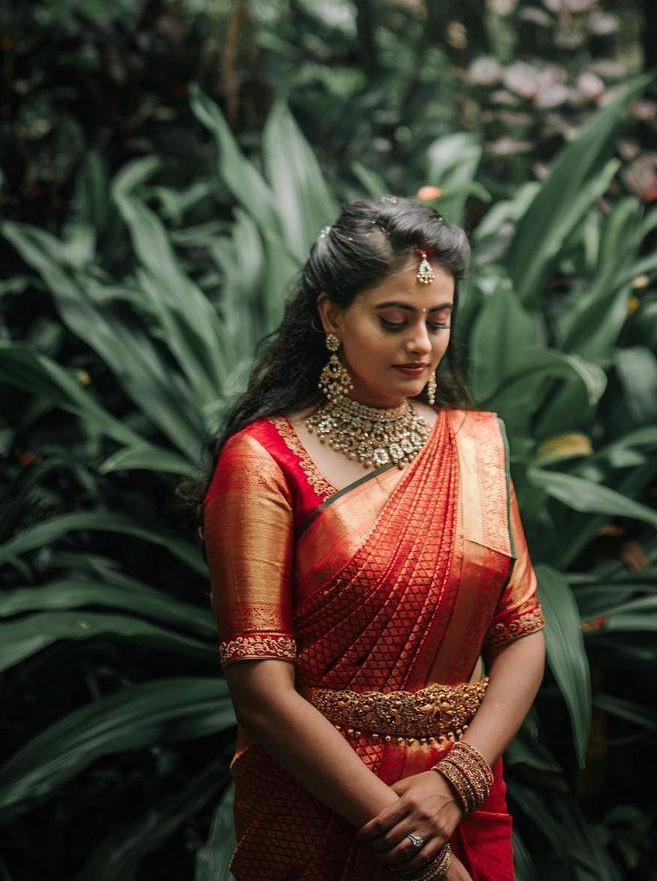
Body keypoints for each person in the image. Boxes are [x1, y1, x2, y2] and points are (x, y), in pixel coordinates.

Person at [188, 196, 547, 879]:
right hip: (326, 802)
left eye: (438, 321)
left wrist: (457, 781)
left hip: (462, 794)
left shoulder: (472, 448)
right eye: (394, 320)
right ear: (331, 316)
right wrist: (413, 841)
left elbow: (523, 634)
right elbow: (261, 691)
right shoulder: (264, 461)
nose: (420, 343)